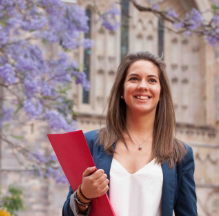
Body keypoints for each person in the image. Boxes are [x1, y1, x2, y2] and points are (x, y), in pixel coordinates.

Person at [62, 51, 197, 216]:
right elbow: (67, 213)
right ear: (121, 90)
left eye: (152, 80)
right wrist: (83, 195)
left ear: (161, 93)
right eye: (134, 79)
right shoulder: (90, 143)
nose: (142, 86)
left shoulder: (180, 155)